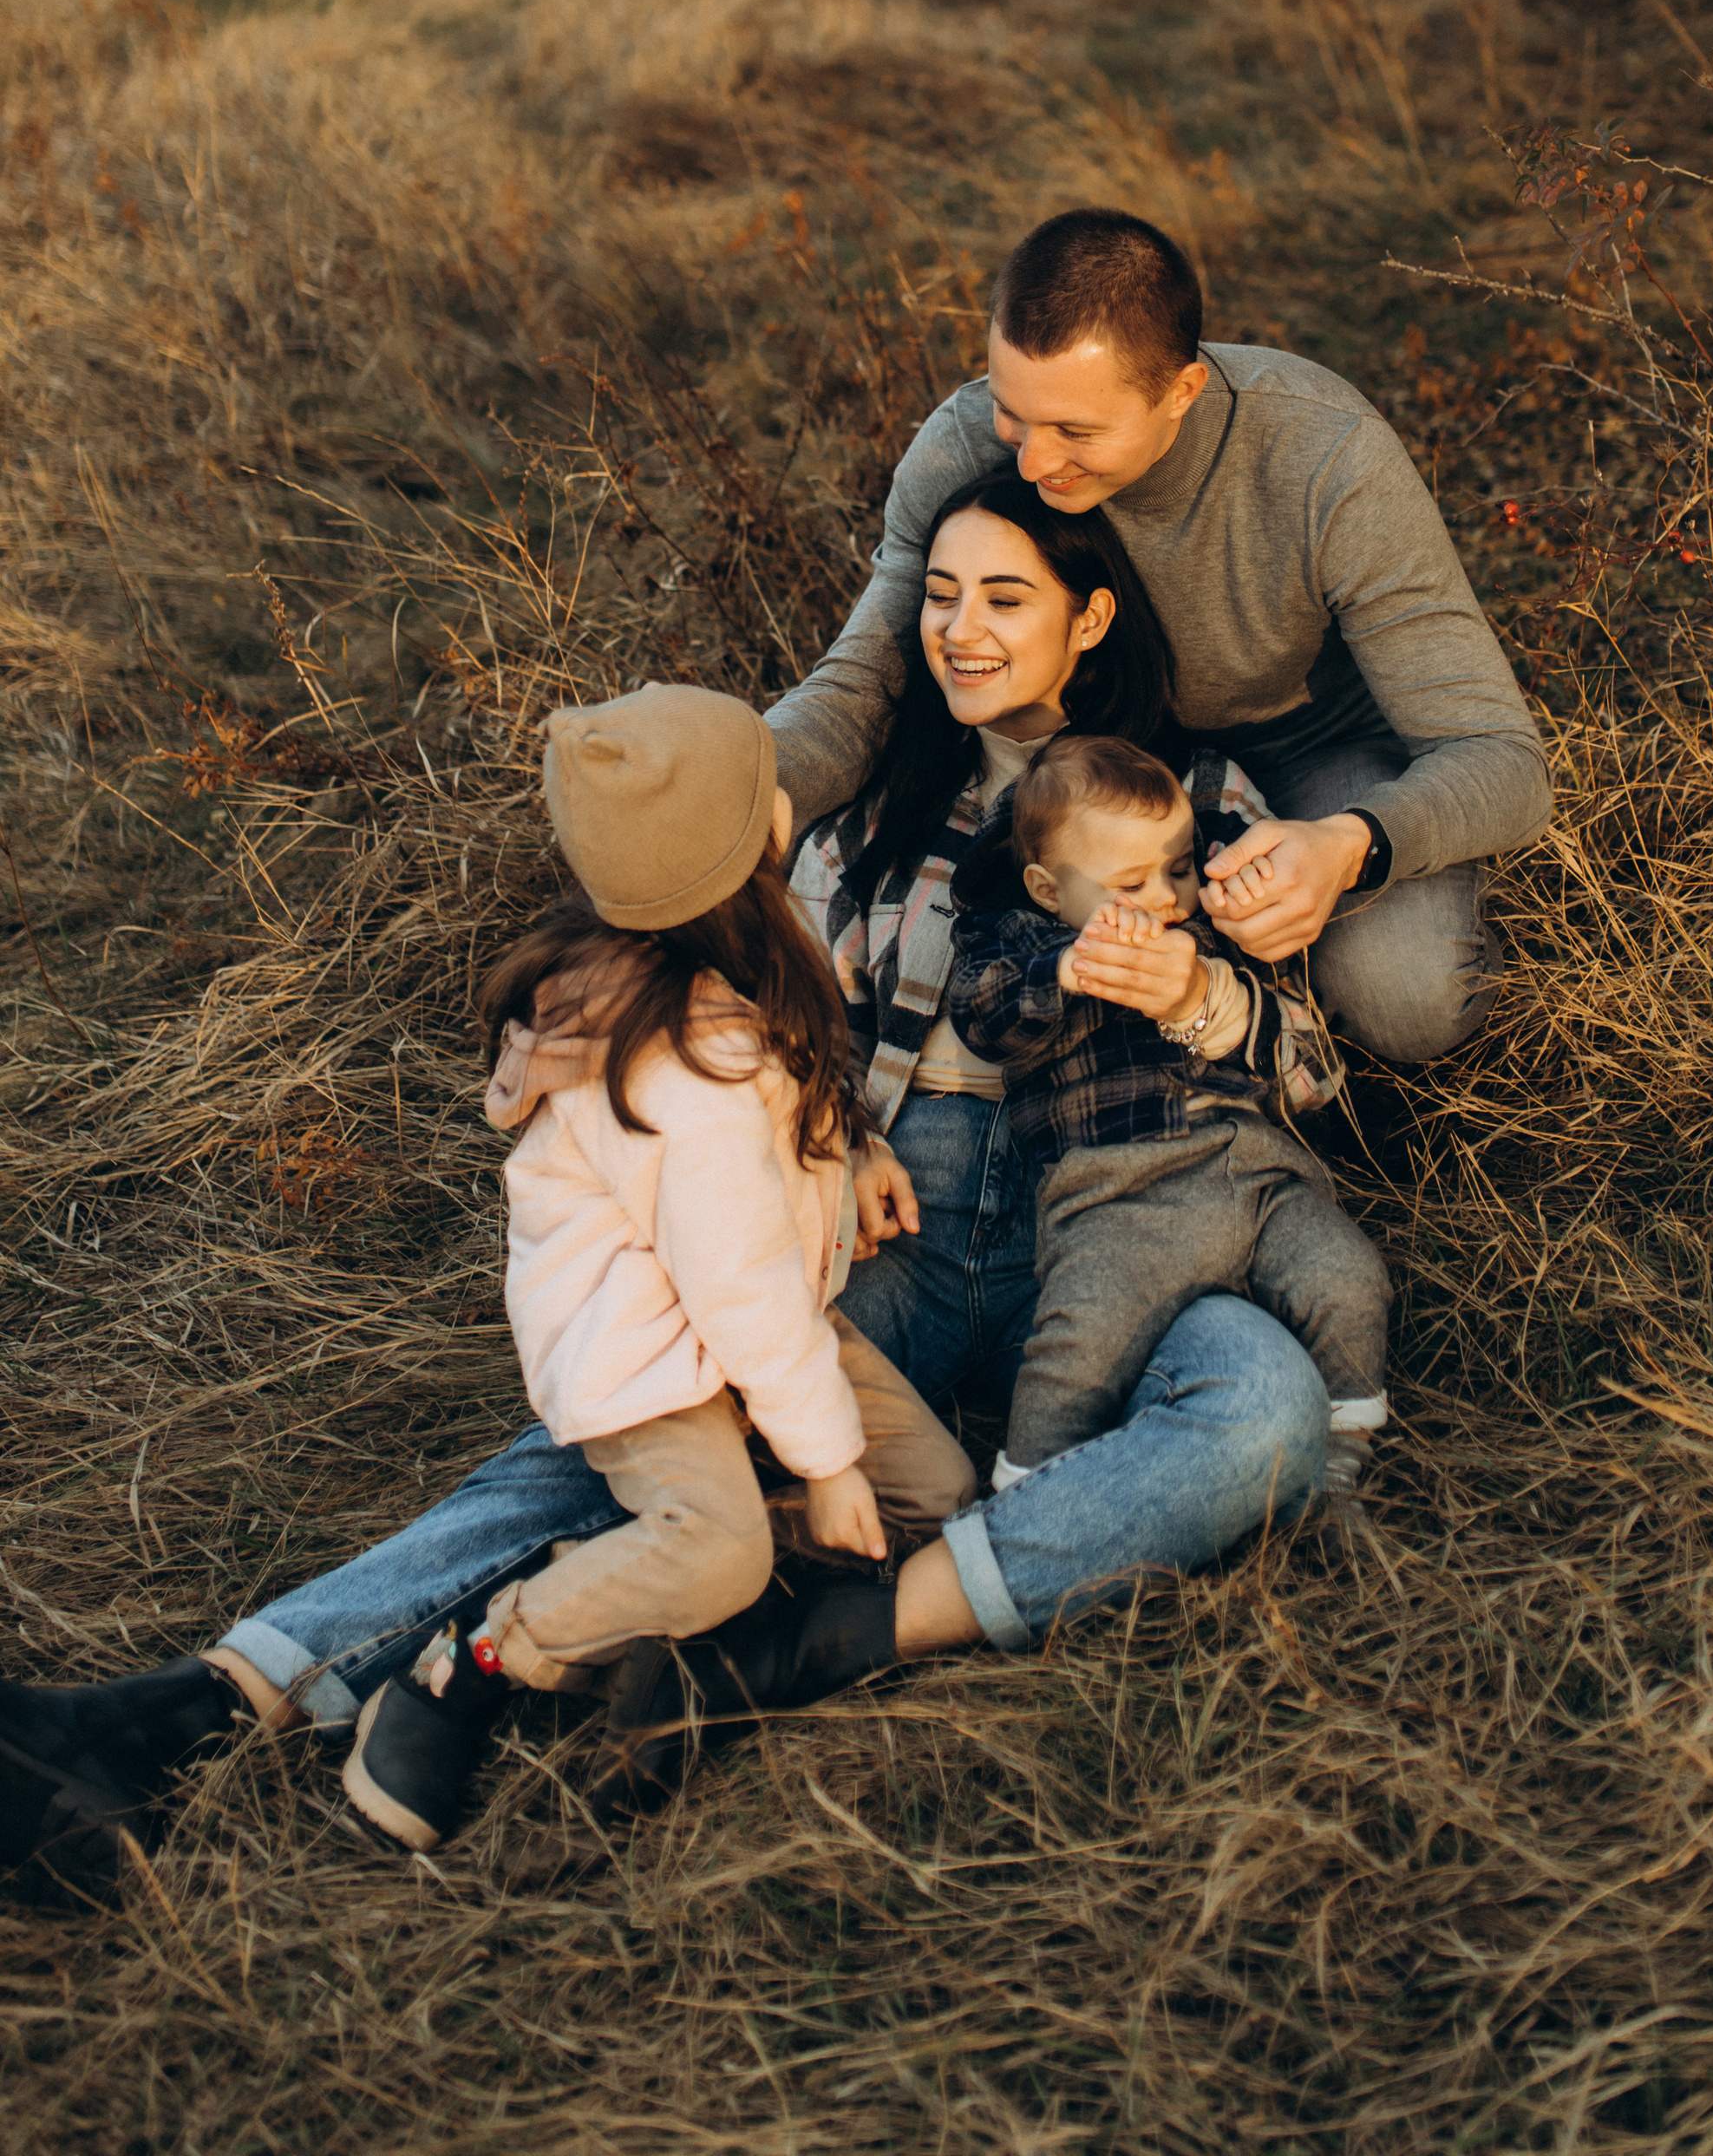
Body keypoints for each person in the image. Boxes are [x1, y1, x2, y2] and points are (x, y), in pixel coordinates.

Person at [0, 478, 1330, 1897]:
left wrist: (1199, 995)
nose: (960, 631)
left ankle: (802, 1646)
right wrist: (833, 1127)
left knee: (1266, 1416)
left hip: (1134, 1226)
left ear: (1094, 616)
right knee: (659, 1401)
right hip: (912, 1227)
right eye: (938, 596)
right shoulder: (871, 798)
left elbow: (1315, 1076)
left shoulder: (1202, 803)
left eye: (1006, 600)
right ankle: (208, 1704)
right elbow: (749, 1003)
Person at [344, 680, 974, 1853]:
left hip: (759, 1328)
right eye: (765, 794)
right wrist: (826, 1462)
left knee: (935, 1504)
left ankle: (629, 1586)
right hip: (656, 1360)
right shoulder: (684, 1067)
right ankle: (484, 1651)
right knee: (731, 1548)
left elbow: (781, 1140)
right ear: (752, 844)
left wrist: (853, 1160)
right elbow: (733, 1278)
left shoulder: (718, 968)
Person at [764, 204, 1553, 1068]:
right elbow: (865, 682)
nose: (1029, 464)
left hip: (1310, 757)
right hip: (1085, 761)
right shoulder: (959, 443)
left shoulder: (1327, 456)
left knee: (1408, 1002)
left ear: (1180, 391)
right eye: (1013, 414)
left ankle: (1313, 1055)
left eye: (1075, 431)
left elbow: (1498, 755)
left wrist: (1348, 845)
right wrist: (758, 784)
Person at [948, 733, 1387, 1493]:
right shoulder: (1023, 940)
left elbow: (1311, 1062)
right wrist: (1068, 971)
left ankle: (1342, 1458)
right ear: (1050, 890)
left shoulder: (1212, 933)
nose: (1165, 899)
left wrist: (1206, 992)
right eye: (1131, 884)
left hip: (1255, 1169)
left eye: (1179, 869)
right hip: (1120, 1194)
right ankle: (1027, 1493)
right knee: (1078, 1351)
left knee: (1350, 1279)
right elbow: (980, 1016)